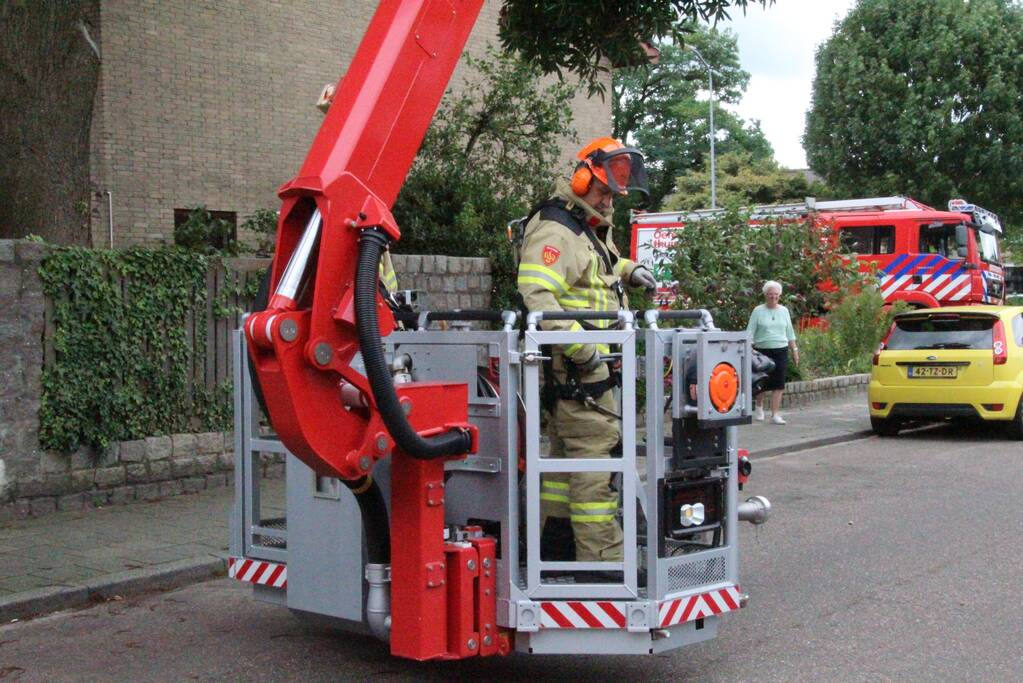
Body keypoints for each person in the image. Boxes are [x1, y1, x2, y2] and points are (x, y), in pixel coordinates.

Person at [516, 137, 655, 572]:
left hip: (580, 378)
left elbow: (598, 266)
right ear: (581, 178)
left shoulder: (583, 227)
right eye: (603, 190)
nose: (608, 199)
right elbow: (538, 296)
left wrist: (630, 271)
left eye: (614, 193)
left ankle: (556, 556)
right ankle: (604, 570)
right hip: (583, 377)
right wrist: (588, 353)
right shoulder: (557, 230)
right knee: (597, 476)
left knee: (563, 472)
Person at [746, 280, 799, 424]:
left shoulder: (784, 311)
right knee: (762, 380)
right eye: (770, 294)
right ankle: (759, 407)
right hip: (762, 350)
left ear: (780, 295)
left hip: (780, 349)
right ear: (765, 295)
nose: (773, 297)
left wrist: (794, 350)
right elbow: (750, 331)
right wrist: (748, 348)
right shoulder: (758, 311)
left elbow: (789, 332)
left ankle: (775, 414)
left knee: (779, 382)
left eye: (776, 294)